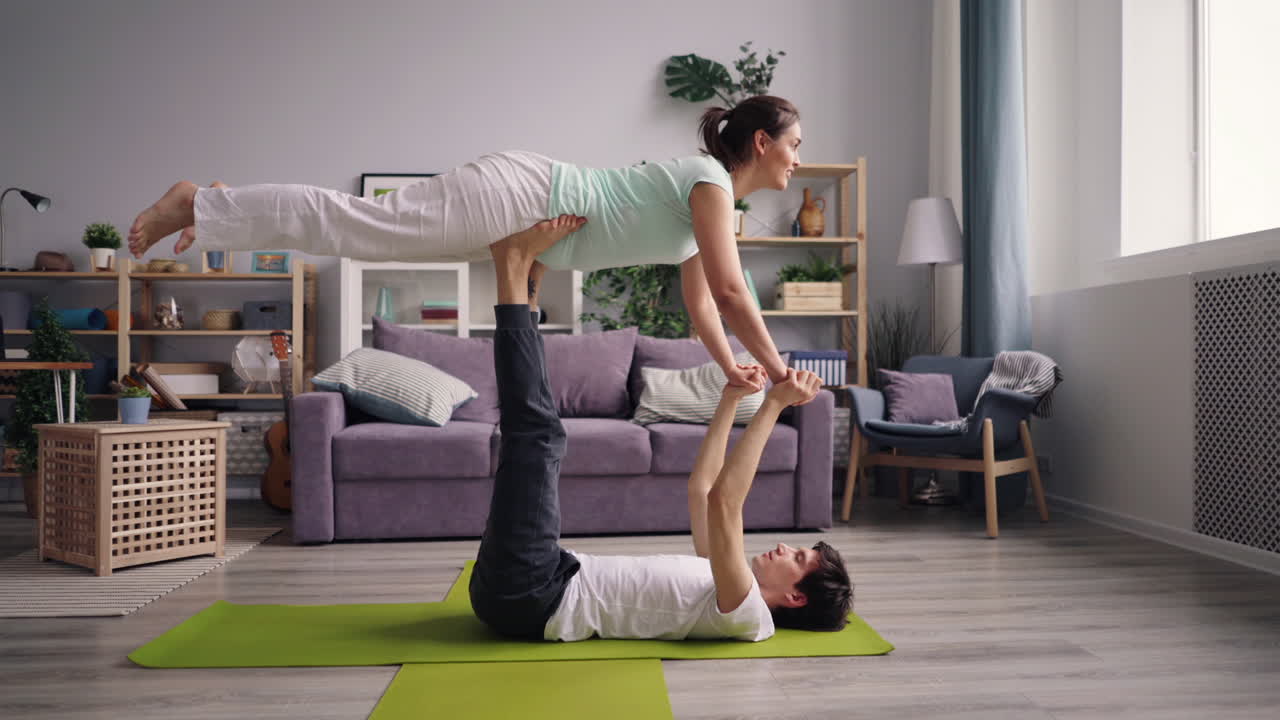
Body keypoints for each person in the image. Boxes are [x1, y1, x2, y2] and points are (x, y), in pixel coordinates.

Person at [126, 95, 806, 391]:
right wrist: (777, 370)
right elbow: (730, 290)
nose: (798, 161)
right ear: (761, 143)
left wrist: (729, 366)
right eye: (795, 147)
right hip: (524, 195)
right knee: (361, 227)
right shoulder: (709, 182)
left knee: (363, 232)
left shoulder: (706, 206)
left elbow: (705, 307)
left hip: (523, 204)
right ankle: (202, 202)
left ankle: (221, 204)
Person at [468, 235, 853, 642]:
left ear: (795, 597)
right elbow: (702, 490)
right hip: (542, 577)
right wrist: (730, 398)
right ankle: (527, 286)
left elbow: (726, 503)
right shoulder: (724, 579)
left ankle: (512, 266)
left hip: (534, 595)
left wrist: (773, 405)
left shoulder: (748, 614)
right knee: (537, 435)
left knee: (539, 437)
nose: (784, 548)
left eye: (798, 559)